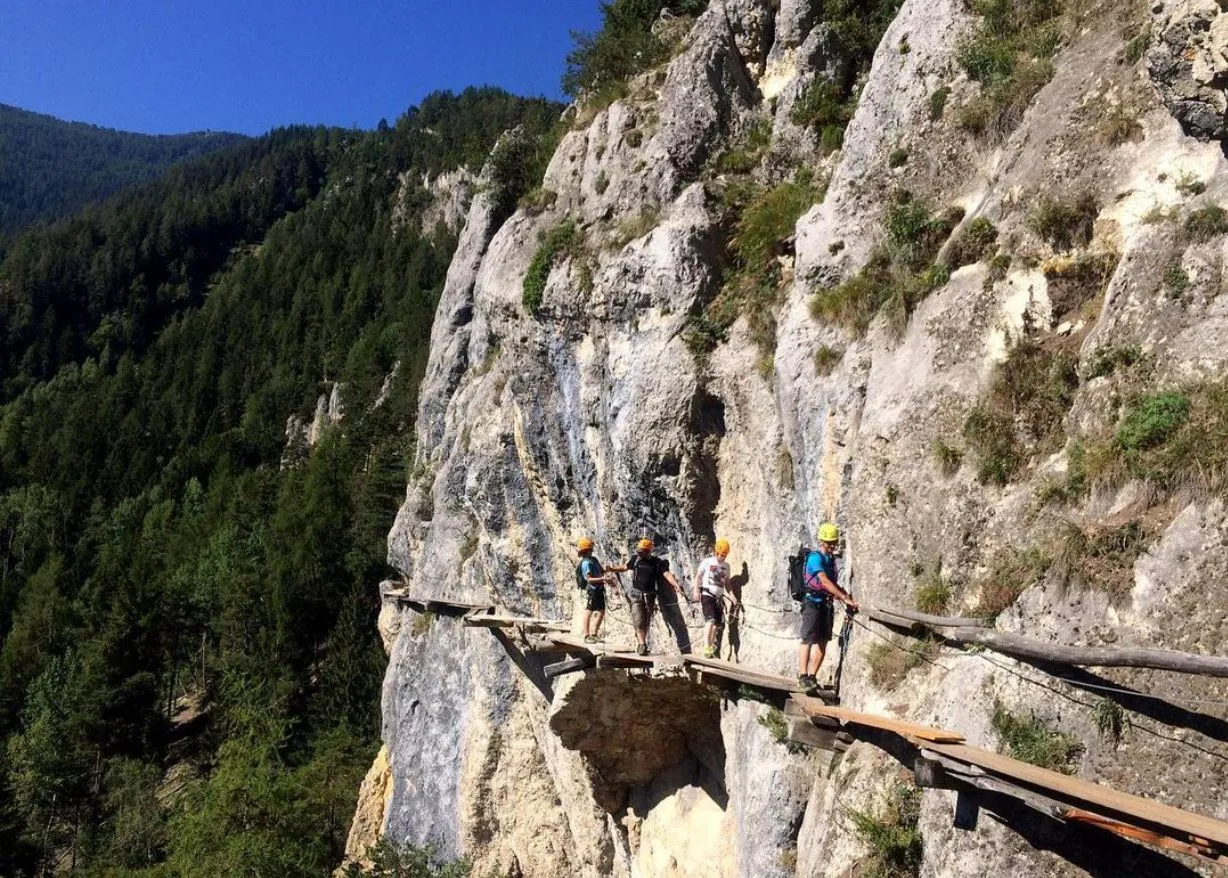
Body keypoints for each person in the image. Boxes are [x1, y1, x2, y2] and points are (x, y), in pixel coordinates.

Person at [798, 522, 858, 693]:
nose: (832, 545)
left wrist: (846, 596)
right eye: (829, 542)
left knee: (823, 640)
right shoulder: (815, 557)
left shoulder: (830, 559)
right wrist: (844, 597)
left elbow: (833, 584)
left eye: (834, 542)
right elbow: (824, 581)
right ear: (822, 541)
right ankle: (802, 677)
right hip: (811, 602)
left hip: (825, 603)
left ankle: (811, 677)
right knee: (808, 639)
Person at [625, 538, 684, 656]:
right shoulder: (635, 559)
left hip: (650, 595)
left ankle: (643, 643)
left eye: (641, 551)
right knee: (638, 619)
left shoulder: (657, 563)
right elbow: (625, 567)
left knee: (646, 619)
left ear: (648, 551)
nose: (638, 553)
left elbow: (666, 574)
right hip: (636, 594)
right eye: (638, 551)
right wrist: (612, 569)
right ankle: (641, 644)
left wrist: (676, 585)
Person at [692, 538, 738, 658]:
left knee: (716, 625)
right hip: (707, 595)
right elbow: (698, 577)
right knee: (710, 620)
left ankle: (710, 647)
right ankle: (706, 647)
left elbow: (727, 583)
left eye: (725, 555)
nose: (723, 557)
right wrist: (696, 591)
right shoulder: (707, 562)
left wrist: (732, 597)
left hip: (718, 597)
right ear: (716, 552)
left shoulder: (726, 566)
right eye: (721, 555)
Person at [575, 537, 624, 643]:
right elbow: (589, 579)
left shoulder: (594, 560)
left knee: (601, 610)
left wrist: (608, 571)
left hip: (599, 589)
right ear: (586, 550)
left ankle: (594, 633)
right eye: (590, 549)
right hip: (593, 590)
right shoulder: (586, 563)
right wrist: (603, 579)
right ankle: (586, 635)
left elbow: (602, 571)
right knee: (589, 611)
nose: (592, 550)